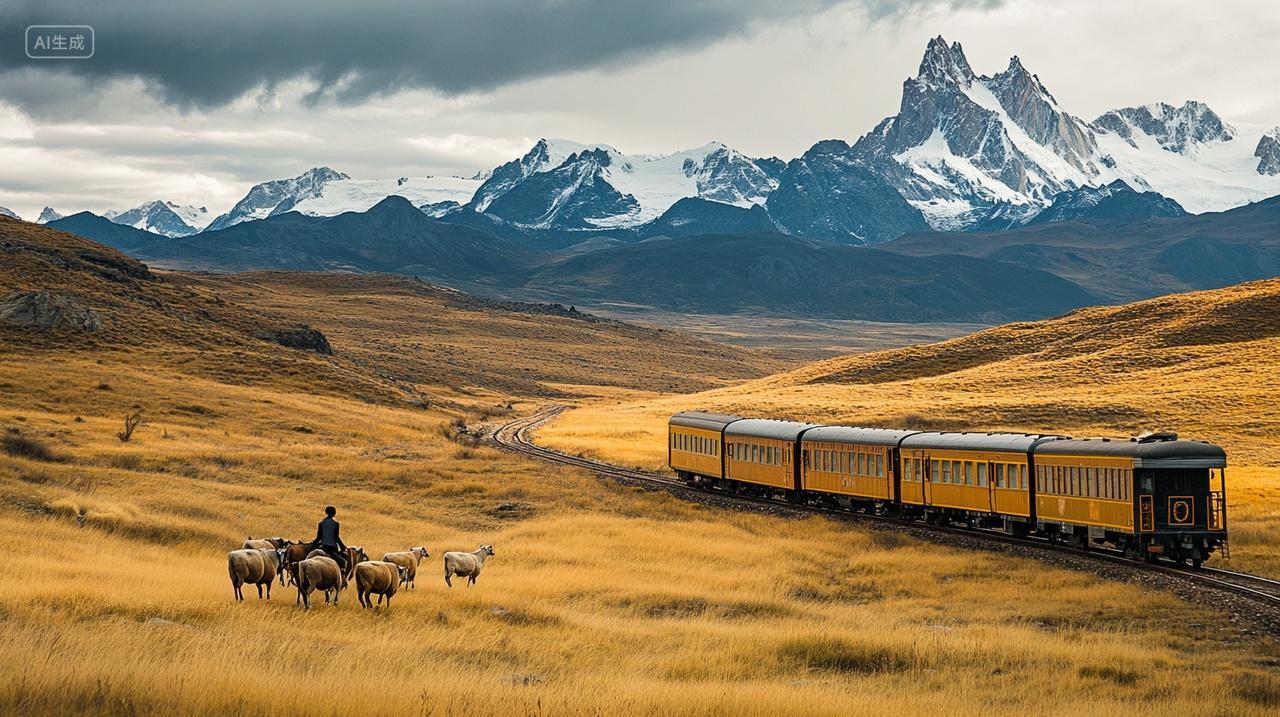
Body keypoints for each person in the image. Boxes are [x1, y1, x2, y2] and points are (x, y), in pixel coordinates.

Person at [311, 505, 348, 572]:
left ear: (326, 512)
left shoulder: (321, 523)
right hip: (331, 548)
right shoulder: (336, 524)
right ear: (334, 513)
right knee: (344, 562)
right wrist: (342, 546)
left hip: (323, 547)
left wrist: (313, 544)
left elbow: (319, 537)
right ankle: (341, 578)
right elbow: (336, 537)